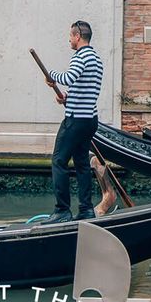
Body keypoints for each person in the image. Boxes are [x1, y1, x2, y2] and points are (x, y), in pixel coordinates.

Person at [45, 20, 103, 223]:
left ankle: (62, 210)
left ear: (78, 36)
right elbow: (86, 89)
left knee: (58, 161)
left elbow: (69, 78)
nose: (69, 40)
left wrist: (51, 75)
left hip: (76, 119)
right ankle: (86, 209)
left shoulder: (80, 56)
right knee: (81, 164)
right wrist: (66, 98)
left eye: (70, 36)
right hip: (90, 120)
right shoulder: (96, 58)